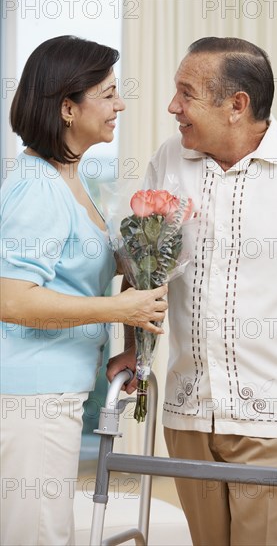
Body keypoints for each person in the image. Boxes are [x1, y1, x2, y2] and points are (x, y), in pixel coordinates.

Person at [107, 37, 277, 545]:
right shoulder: (170, 160)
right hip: (187, 414)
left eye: (186, 93)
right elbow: (144, 264)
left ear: (236, 106)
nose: (172, 107)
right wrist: (133, 351)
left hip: (274, 418)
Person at [0, 35, 168, 546]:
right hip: (31, 394)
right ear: (68, 108)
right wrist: (120, 306)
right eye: (109, 93)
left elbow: (74, 272)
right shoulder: (38, 187)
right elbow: (12, 298)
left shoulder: (71, 179)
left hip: (58, 390)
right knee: (38, 536)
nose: (120, 104)